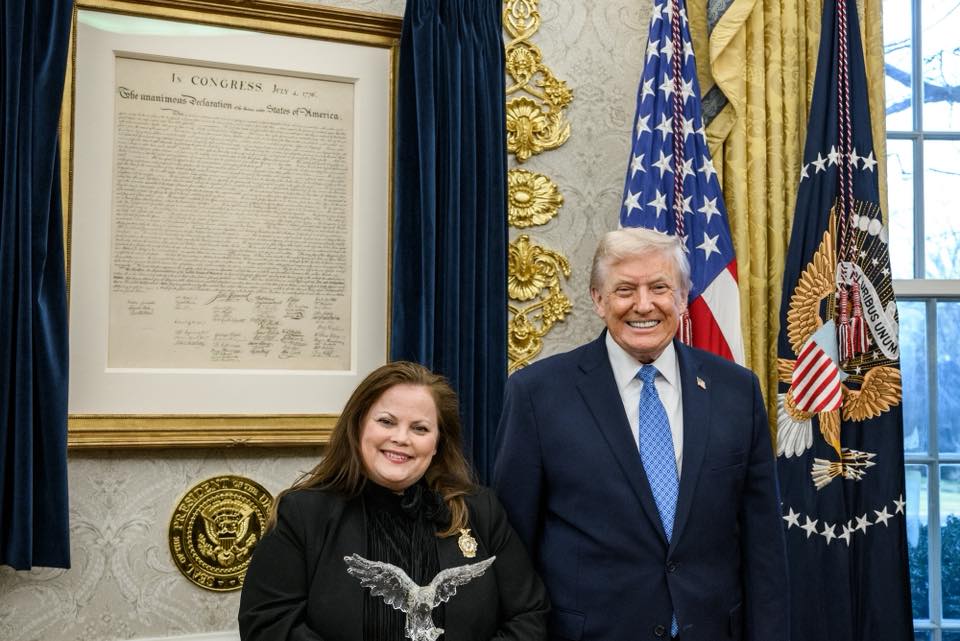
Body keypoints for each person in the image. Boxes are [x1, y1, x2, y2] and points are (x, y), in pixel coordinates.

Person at [492, 228, 788, 641]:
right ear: (598, 299)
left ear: (683, 297)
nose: (643, 304)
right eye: (625, 289)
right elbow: (511, 544)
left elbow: (764, 546)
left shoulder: (737, 391)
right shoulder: (537, 394)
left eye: (660, 287)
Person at [239, 361, 548, 641]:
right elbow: (268, 625)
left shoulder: (480, 511)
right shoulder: (303, 514)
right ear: (358, 426)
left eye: (420, 428)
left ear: (438, 443)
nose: (402, 438)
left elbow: (529, 616)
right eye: (386, 422)